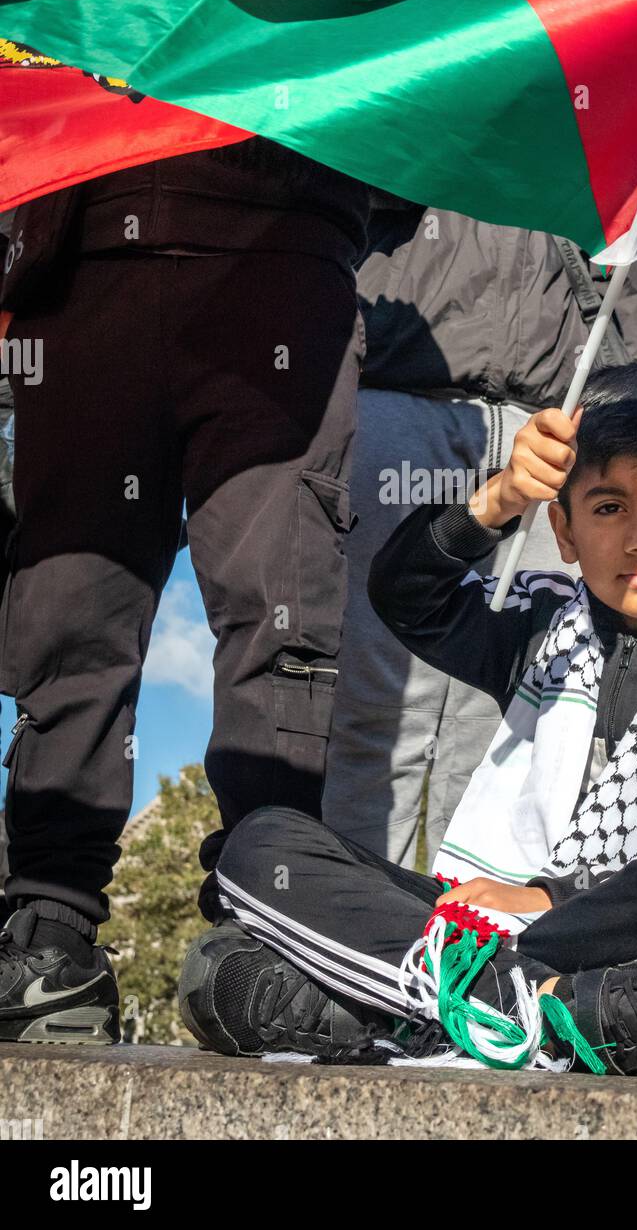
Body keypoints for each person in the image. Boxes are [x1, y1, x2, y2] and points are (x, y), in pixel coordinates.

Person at [179, 363, 637, 1077]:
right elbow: (405, 595)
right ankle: (558, 1010)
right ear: (564, 531)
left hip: (632, 938)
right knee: (262, 844)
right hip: (469, 924)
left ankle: (399, 1009)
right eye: (608, 508)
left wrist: (549, 896)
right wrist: (499, 499)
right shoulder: (538, 627)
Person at [0, 137, 370, 1044]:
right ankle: (50, 928)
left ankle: (271, 927)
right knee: (69, 600)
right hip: (72, 245)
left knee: (280, 605)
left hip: (284, 237)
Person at [324, 205, 637, 864]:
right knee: (375, 709)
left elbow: (628, 293)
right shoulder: (426, 109)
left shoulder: (598, 149)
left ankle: (472, 942)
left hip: (560, 428)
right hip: (405, 393)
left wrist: (630, 434)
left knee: (516, 711)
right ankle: (346, 937)